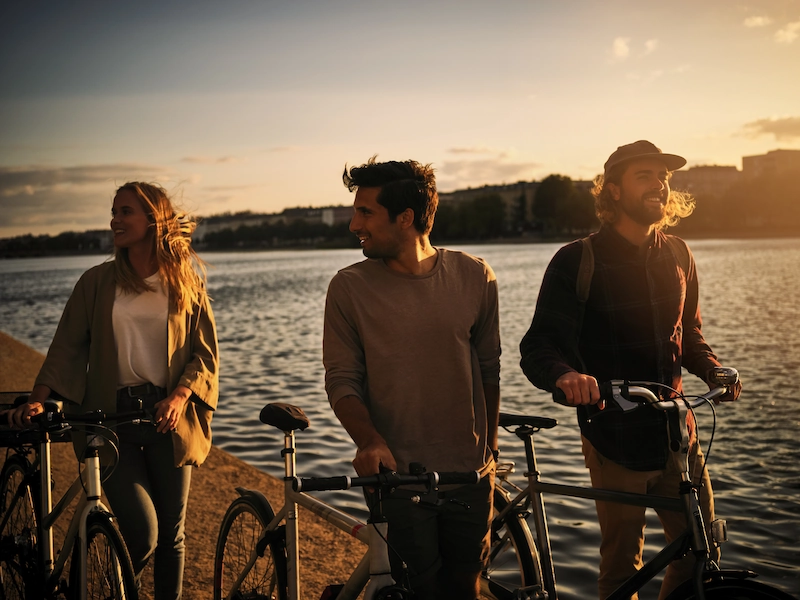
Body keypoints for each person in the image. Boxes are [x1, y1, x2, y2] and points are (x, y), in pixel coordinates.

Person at [519, 140, 742, 600]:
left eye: (663, 177)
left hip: (678, 435)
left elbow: (688, 334)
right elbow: (538, 346)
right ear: (614, 190)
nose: (659, 184)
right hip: (614, 436)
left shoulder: (678, 254)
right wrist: (565, 377)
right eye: (645, 175)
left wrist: (713, 370)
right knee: (623, 568)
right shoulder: (578, 260)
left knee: (700, 554)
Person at [7, 182, 219, 600]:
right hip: (108, 420)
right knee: (143, 532)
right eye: (114, 212)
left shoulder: (185, 282)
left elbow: (204, 354)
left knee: (172, 535)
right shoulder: (96, 282)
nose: (114, 221)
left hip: (167, 418)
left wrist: (179, 397)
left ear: (154, 220)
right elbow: (67, 347)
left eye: (125, 212)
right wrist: (38, 399)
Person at [323, 157, 501, 600]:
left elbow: (489, 368)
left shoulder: (475, 276)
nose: (354, 225)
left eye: (366, 212)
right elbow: (342, 380)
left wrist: (490, 450)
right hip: (395, 479)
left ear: (405, 218)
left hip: (471, 476)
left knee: (465, 589)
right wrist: (369, 441)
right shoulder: (348, 288)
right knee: (418, 591)